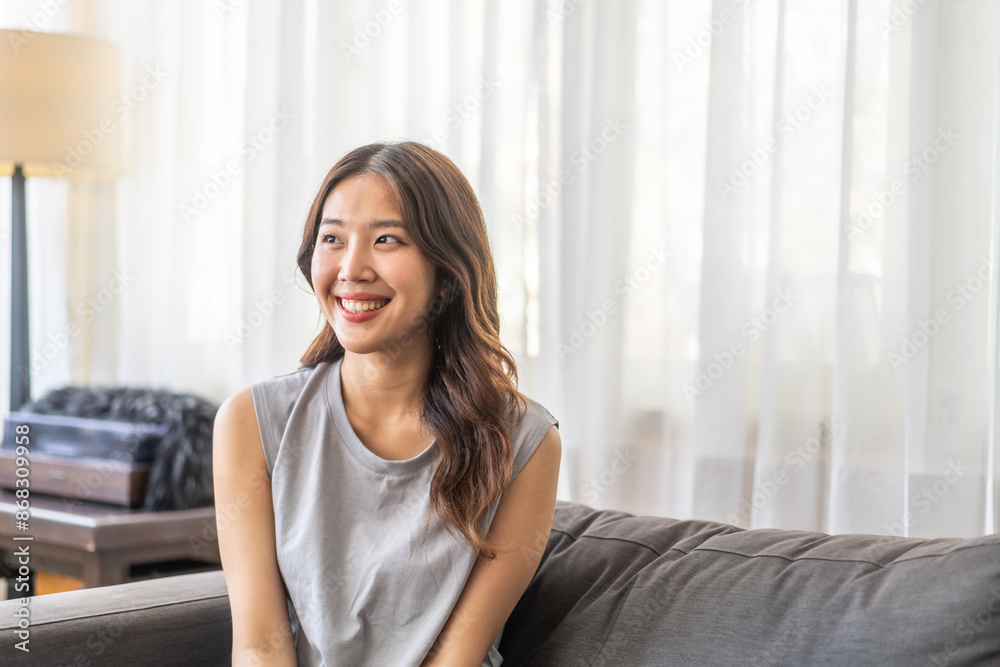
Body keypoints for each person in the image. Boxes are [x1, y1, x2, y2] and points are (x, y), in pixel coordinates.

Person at [213, 141, 562, 666]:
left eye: (386, 239)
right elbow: (259, 644)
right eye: (332, 238)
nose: (351, 268)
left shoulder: (525, 441)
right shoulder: (251, 423)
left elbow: (456, 658)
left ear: (448, 270)